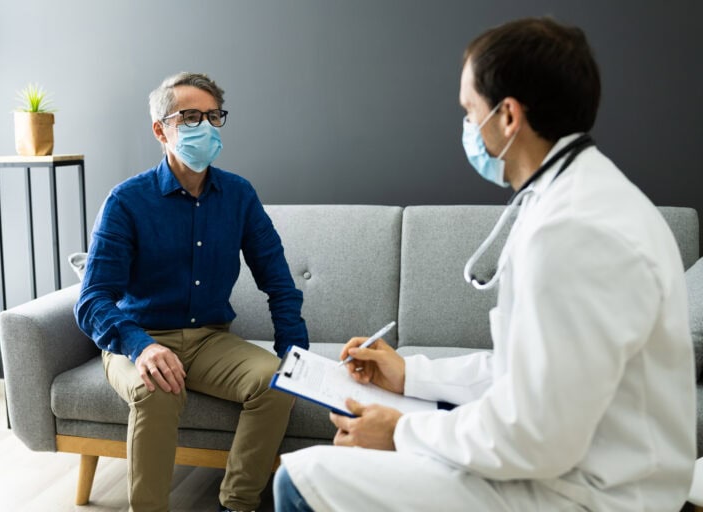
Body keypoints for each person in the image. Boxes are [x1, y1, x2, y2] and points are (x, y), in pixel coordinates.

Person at [273, 17, 696, 512]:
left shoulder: (571, 231)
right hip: (583, 468)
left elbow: (532, 435)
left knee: (300, 479)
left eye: (470, 112)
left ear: (509, 116)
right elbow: (525, 372)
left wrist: (402, 431)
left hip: (591, 494)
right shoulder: (582, 197)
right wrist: (409, 375)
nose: (468, 128)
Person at [75, 72, 308, 512]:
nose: (205, 126)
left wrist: (295, 352)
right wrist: (140, 347)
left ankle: (236, 504)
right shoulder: (126, 201)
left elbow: (277, 278)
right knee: (157, 389)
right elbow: (92, 302)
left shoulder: (238, 195)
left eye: (213, 116)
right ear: (161, 129)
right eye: (190, 116)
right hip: (137, 342)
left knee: (275, 382)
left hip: (209, 338)